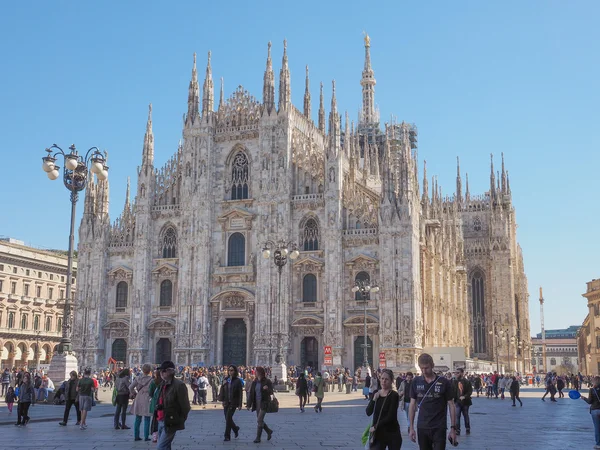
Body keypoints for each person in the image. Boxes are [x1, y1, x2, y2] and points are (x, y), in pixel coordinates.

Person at [408, 353, 457, 449]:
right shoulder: (416, 382)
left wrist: (453, 428)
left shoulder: (444, 382)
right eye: (422, 368)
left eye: (426, 368)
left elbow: (451, 405)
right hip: (422, 426)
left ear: (432, 366)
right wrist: (411, 428)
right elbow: (412, 405)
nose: (424, 371)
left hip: (439, 427)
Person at [155, 360, 191, 450]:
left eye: (163, 371)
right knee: (165, 446)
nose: (161, 373)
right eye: (160, 371)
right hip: (160, 419)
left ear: (171, 371)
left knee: (161, 447)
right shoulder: (162, 384)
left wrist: (180, 418)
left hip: (170, 420)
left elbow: (185, 406)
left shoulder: (179, 385)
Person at [366, 368, 402, 450]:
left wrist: (375, 426)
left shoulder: (394, 395)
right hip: (377, 434)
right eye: (382, 378)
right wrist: (373, 400)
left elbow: (391, 416)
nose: (383, 381)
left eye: (386, 379)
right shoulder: (376, 393)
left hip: (392, 432)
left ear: (391, 381)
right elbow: (368, 412)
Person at [246, 366, 274, 443]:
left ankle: (258, 438)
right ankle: (268, 431)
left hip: (264, 403)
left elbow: (271, 392)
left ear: (260, 372)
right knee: (260, 421)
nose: (255, 372)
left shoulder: (267, 381)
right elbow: (251, 394)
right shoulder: (254, 382)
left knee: (259, 419)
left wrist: (267, 389)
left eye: (256, 371)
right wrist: (249, 404)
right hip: (257, 403)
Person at [130, 363, 153, 441]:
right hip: (147, 398)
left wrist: (134, 393)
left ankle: (136, 436)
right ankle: (146, 437)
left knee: (138, 418)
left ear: (142, 370)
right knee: (147, 418)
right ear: (150, 370)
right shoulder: (151, 379)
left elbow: (130, 387)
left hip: (139, 397)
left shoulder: (138, 378)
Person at [220, 365, 243, 442]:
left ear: (235, 371)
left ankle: (227, 436)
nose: (230, 372)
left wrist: (240, 404)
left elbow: (240, 393)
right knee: (227, 418)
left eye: (232, 370)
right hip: (226, 402)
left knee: (228, 418)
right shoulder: (226, 379)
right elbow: (223, 390)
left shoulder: (238, 381)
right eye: (229, 370)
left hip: (233, 402)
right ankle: (235, 428)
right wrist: (222, 400)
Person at [452, 368, 472, 436]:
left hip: (465, 402)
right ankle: (457, 430)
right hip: (457, 401)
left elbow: (470, 391)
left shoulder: (467, 381)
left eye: (458, 373)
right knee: (457, 415)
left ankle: (467, 428)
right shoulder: (454, 381)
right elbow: (452, 391)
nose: (456, 374)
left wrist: (464, 396)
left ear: (462, 373)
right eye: (455, 373)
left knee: (465, 415)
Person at [582, 376, 600, 449]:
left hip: (595, 410)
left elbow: (590, 401)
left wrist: (584, 398)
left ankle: (598, 444)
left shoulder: (592, 390)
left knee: (597, 428)